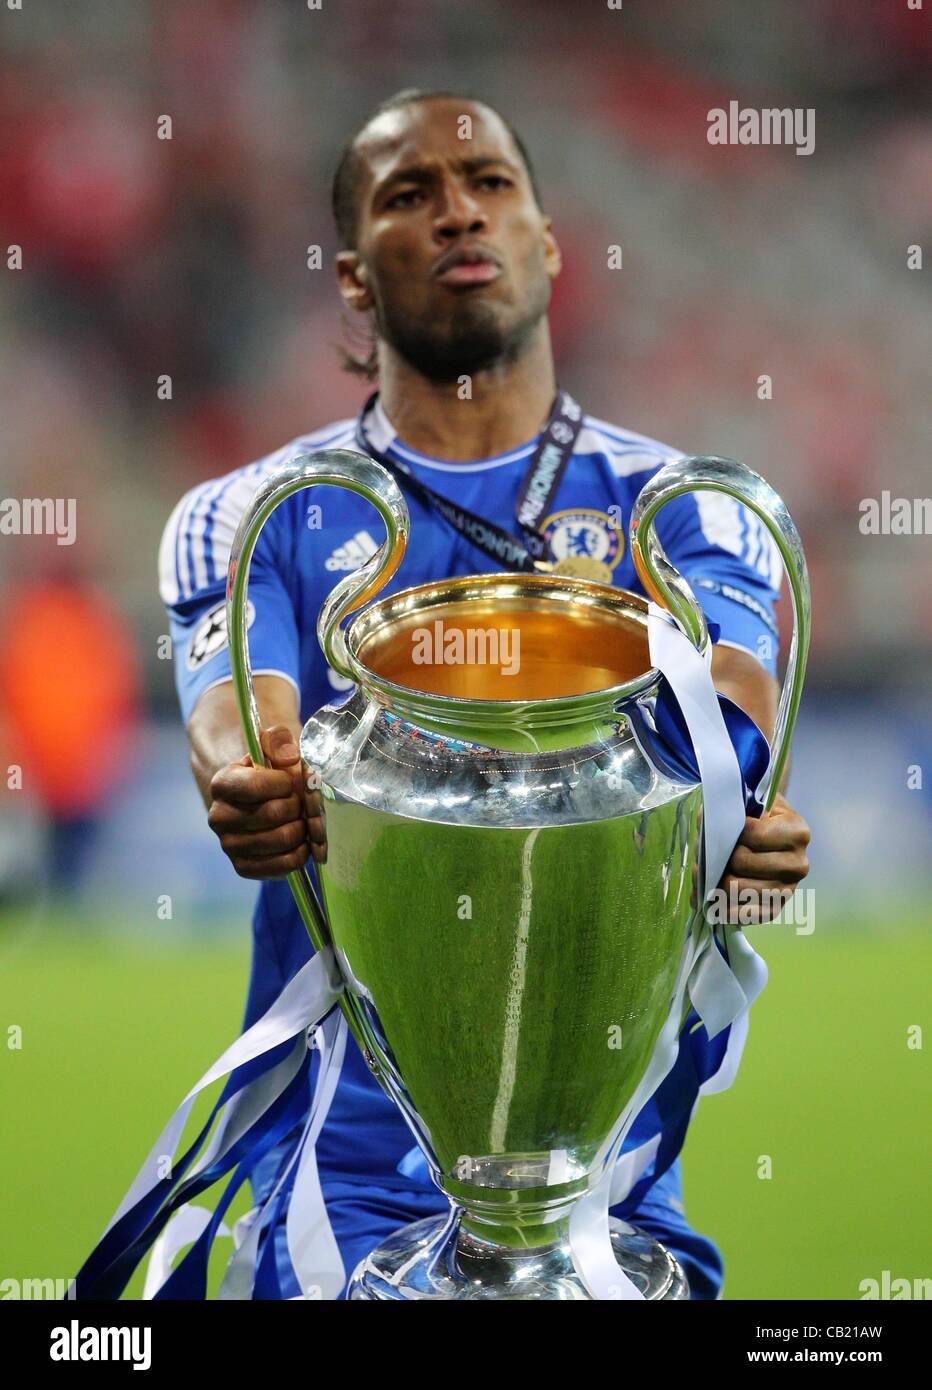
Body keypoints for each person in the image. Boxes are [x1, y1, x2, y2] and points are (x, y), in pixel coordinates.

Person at [159, 88, 810, 1300]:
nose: (458, 211)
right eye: (410, 195)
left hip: (611, 1182)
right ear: (354, 279)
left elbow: (729, 720)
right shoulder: (252, 515)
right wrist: (250, 786)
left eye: (490, 184)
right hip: (335, 1182)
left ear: (549, 242)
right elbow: (240, 726)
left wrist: (736, 833)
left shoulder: (689, 507)